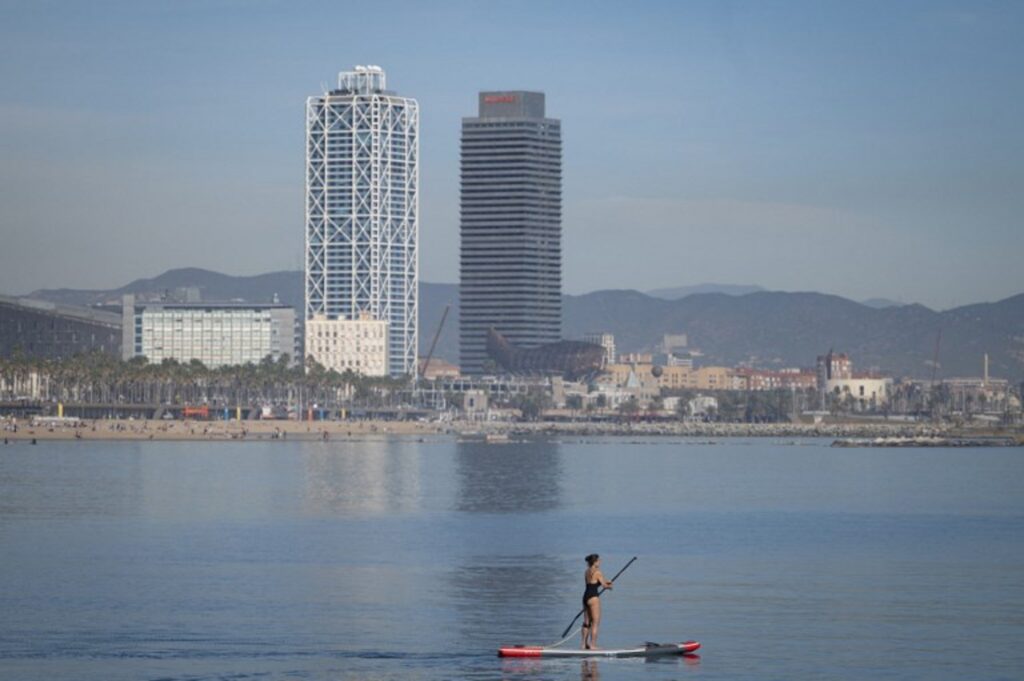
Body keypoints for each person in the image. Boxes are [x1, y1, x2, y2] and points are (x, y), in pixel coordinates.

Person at [582, 553, 613, 650]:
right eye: (599, 560)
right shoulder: (598, 572)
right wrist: (609, 586)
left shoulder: (586, 571)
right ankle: (593, 645)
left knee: (586, 622)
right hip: (593, 598)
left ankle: (583, 645)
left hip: (585, 597)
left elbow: (593, 584)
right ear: (595, 562)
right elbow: (604, 585)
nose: (600, 562)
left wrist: (605, 582)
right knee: (595, 622)